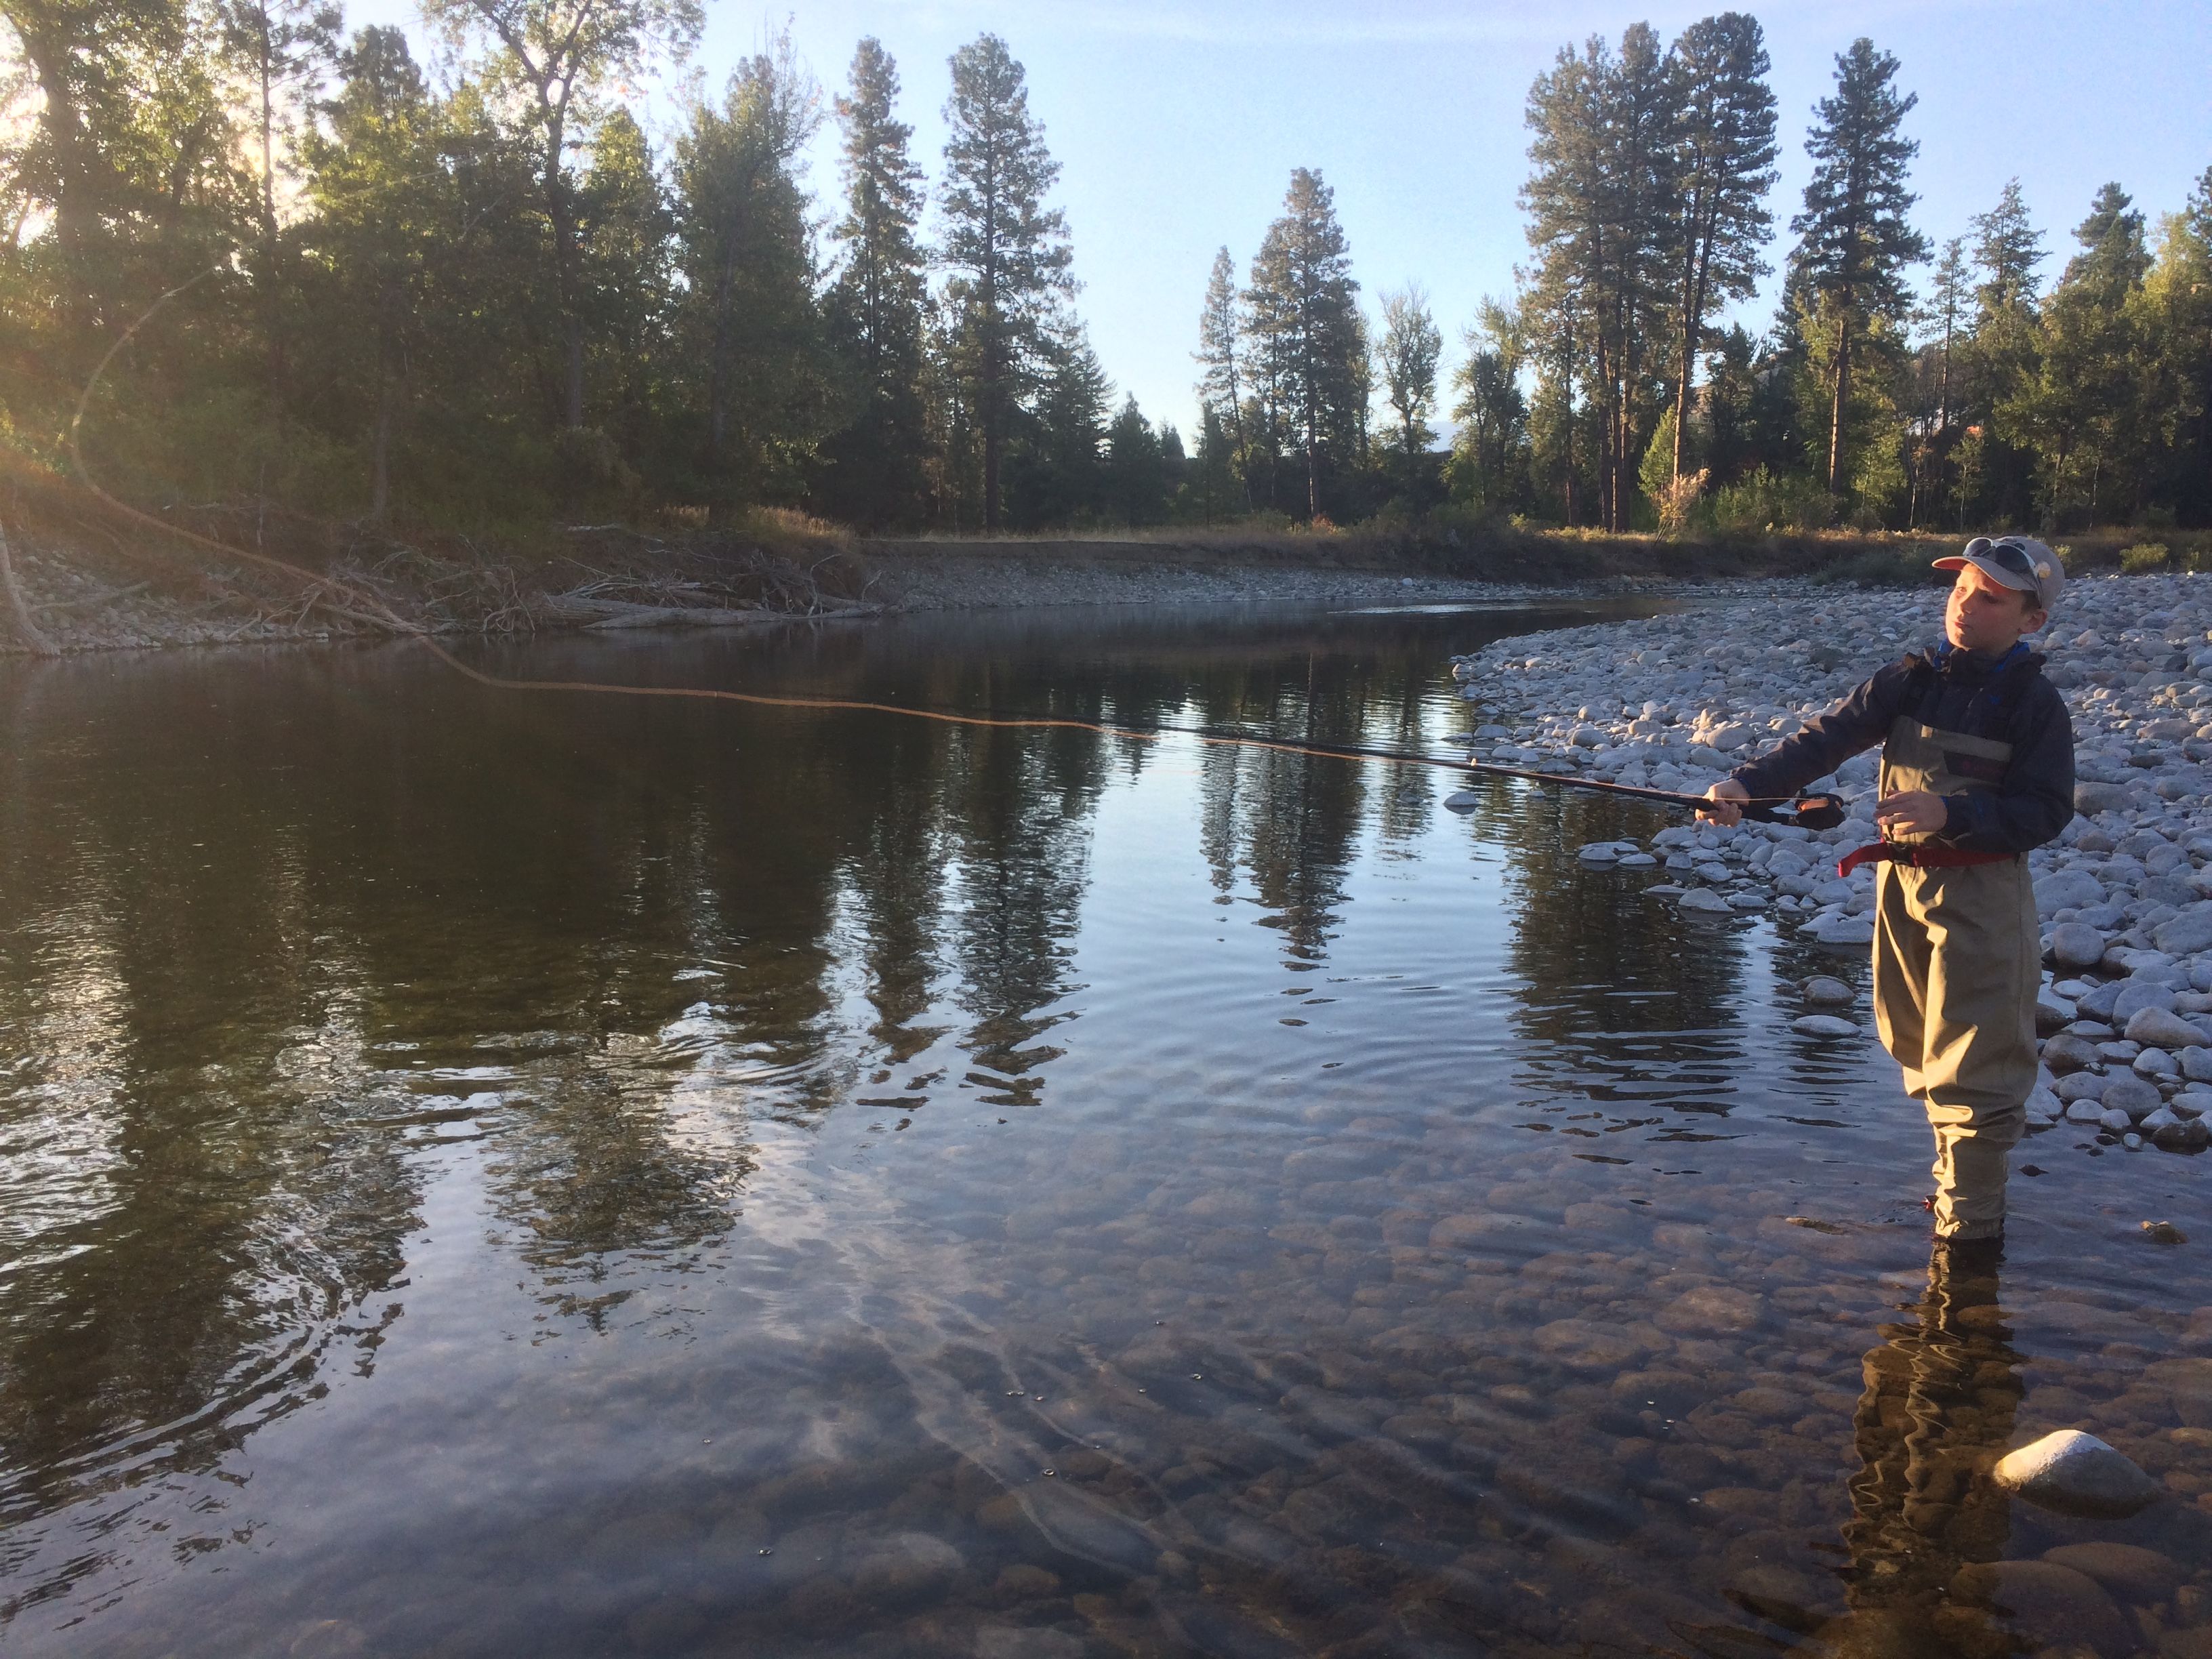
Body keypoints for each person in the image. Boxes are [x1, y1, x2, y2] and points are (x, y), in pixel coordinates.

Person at [1701, 537, 2074, 1245]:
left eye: (1990, 598)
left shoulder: (2035, 704)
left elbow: (2047, 812)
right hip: (1902, 890)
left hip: (1983, 902)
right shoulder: (1910, 679)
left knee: (1977, 1069)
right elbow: (1826, 740)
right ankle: (1951, 1191)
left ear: (2031, 621)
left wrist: (1952, 814)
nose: (1966, 606)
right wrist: (1746, 787)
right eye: (1961, 588)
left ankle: (1970, 1237)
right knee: (1916, 1046)